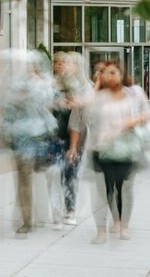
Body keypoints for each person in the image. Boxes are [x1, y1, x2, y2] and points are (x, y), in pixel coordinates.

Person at [0, 50, 57, 237]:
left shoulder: (44, 85)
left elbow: (46, 107)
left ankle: (42, 215)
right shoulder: (16, 85)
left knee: (42, 178)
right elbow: (8, 110)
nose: (28, 68)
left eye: (31, 65)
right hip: (23, 140)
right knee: (24, 179)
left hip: (40, 138)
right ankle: (27, 220)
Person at [87, 60, 150, 244]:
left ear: (122, 74)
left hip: (126, 148)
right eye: (103, 73)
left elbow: (146, 114)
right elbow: (87, 112)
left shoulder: (133, 93)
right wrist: (97, 85)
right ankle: (102, 231)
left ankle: (123, 225)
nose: (108, 76)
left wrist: (127, 123)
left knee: (124, 188)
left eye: (113, 72)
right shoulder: (98, 96)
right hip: (100, 148)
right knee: (102, 191)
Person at [53, 52, 92, 227]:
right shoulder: (54, 85)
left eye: (67, 63)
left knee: (69, 174)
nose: (63, 66)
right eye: (59, 62)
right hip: (55, 135)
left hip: (74, 138)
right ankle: (57, 210)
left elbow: (83, 115)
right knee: (55, 174)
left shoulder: (84, 87)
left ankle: (70, 209)